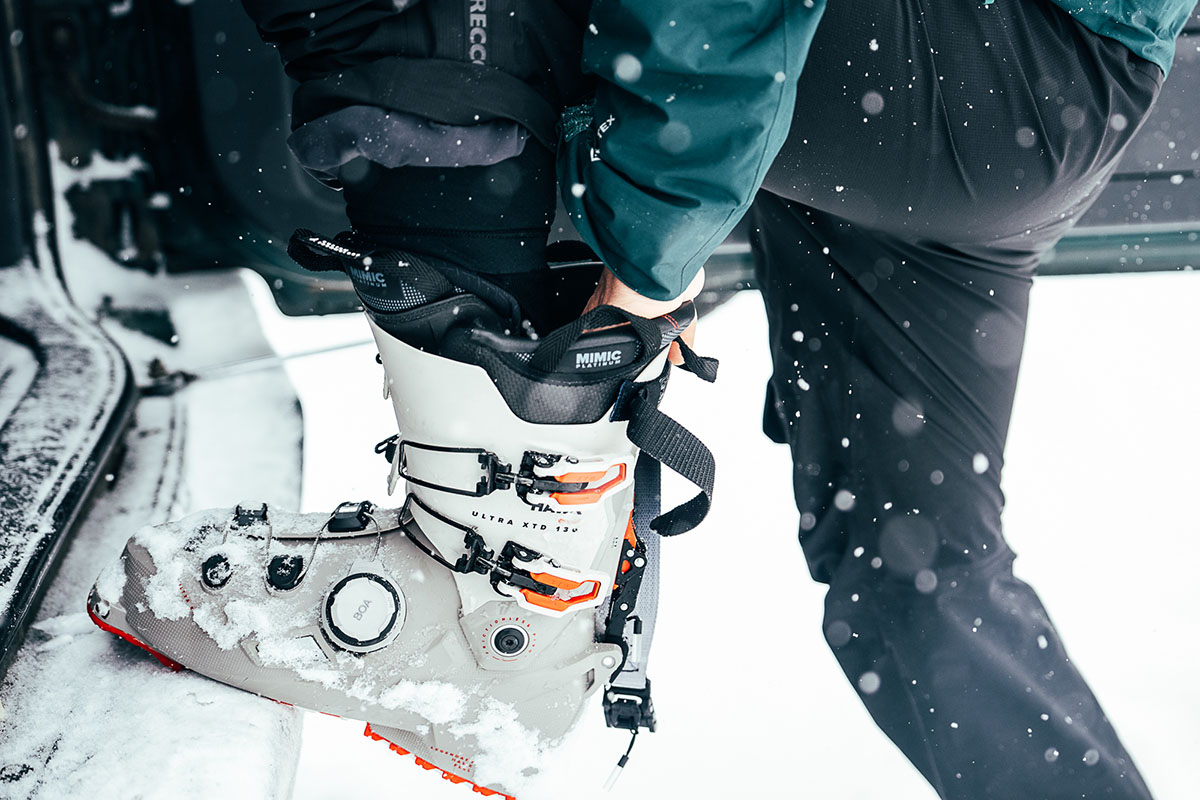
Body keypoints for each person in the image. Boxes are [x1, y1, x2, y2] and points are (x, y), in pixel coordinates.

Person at [237, 0, 1195, 797]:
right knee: (917, 564)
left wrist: (653, 254)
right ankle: (513, 575)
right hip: (1056, 97)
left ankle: (477, 595)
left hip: (977, 66)